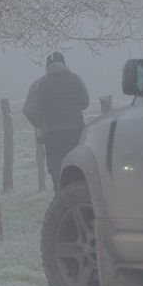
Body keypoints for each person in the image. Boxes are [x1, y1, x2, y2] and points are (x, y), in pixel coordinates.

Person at [23, 51, 90, 193]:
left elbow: (29, 110)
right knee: (79, 167)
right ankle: (82, 197)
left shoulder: (39, 84)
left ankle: (62, 198)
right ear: (64, 64)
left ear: (47, 67)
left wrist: (41, 123)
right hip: (76, 131)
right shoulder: (76, 79)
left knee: (57, 171)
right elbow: (85, 103)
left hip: (53, 134)